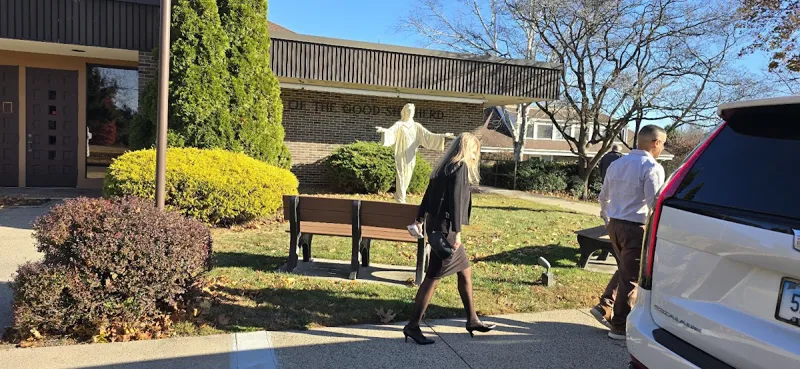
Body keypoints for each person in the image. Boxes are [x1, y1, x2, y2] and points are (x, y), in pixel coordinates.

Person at [403, 132, 495, 345]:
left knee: (465, 272)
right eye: (475, 151)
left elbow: (427, 196)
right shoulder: (460, 167)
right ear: (467, 149)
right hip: (446, 230)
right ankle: (412, 326)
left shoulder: (442, 167)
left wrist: (419, 219)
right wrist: (457, 232)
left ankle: (472, 319)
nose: (476, 155)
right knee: (432, 278)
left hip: (436, 226)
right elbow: (455, 200)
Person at [590, 125, 667, 340]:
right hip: (636, 227)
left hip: (615, 224)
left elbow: (603, 196)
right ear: (656, 143)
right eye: (663, 143)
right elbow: (654, 204)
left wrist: (607, 220)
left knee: (625, 269)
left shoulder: (617, 164)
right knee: (631, 278)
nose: (663, 148)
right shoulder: (652, 167)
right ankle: (619, 327)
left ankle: (605, 306)